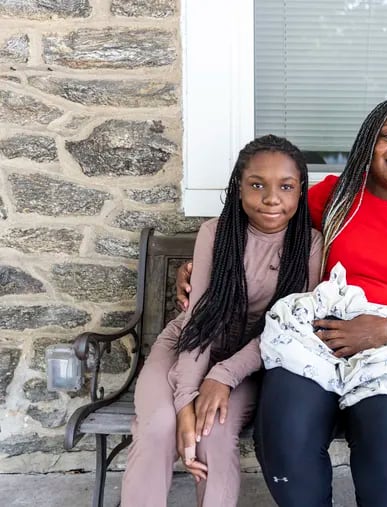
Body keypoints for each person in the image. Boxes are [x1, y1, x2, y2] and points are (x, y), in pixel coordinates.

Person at [176, 95, 387, 506]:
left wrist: (386, 330)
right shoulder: (333, 197)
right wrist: (202, 265)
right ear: (367, 143)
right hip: (315, 339)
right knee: (285, 427)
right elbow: (265, 222)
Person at [121, 135, 323, 507]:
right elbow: (199, 322)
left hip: (250, 360)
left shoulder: (309, 246)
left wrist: (223, 376)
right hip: (189, 344)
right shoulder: (215, 234)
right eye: (257, 184)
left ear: (300, 191)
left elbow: (287, 332)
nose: (272, 198)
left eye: (286, 186)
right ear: (239, 187)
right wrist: (185, 402)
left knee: (212, 429)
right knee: (159, 426)